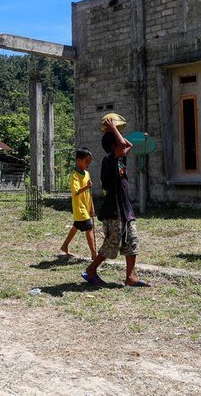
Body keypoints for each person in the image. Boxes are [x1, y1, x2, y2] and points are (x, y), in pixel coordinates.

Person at [82, 118, 150, 287]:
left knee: (132, 241)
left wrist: (116, 130)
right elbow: (122, 146)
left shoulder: (120, 160)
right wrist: (112, 128)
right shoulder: (109, 160)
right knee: (113, 243)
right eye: (117, 139)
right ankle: (91, 270)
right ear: (113, 146)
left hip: (125, 208)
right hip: (114, 210)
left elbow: (128, 146)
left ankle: (130, 277)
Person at [60, 147, 97, 259]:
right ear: (78, 161)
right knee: (89, 227)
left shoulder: (87, 174)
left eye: (89, 162)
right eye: (86, 161)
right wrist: (86, 186)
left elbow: (89, 193)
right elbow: (75, 192)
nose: (88, 164)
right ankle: (94, 254)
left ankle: (65, 245)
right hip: (79, 206)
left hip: (86, 206)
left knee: (76, 226)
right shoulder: (74, 175)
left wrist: (92, 207)